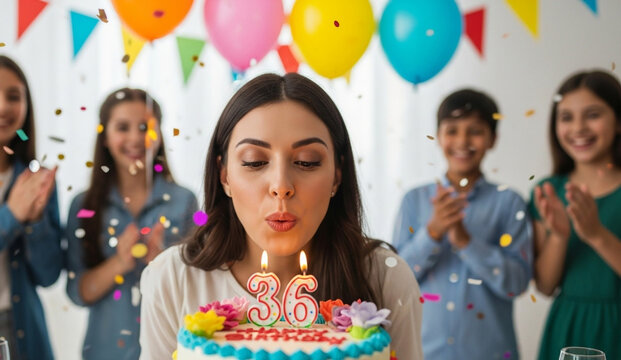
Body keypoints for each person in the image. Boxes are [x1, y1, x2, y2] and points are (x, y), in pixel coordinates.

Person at [138, 73, 423, 359]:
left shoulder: (386, 278)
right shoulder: (172, 279)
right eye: (255, 161)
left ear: (337, 176)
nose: (281, 186)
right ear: (224, 175)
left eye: (306, 162)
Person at [392, 89, 532, 359]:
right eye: (452, 130)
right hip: (421, 352)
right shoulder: (414, 200)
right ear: (439, 136)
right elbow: (394, 281)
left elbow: (517, 284)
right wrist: (431, 233)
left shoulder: (510, 203)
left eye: (476, 131)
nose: (462, 141)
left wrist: (466, 242)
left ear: (493, 139)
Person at [64, 88, 198, 359]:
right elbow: (77, 292)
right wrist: (119, 262)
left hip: (170, 349)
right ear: (105, 137)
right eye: (123, 127)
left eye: (144, 127)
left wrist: (162, 265)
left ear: (159, 134)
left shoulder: (184, 201)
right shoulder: (83, 206)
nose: (136, 138)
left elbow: (197, 290)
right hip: (103, 351)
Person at [0, 54, 62, 360]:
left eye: (14, 96)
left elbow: (49, 274)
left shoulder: (39, 180)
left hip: (26, 334)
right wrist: (11, 216)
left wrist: (33, 221)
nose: (2, 106)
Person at [531, 70, 621, 360]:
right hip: (567, 326)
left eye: (592, 114)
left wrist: (596, 234)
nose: (578, 127)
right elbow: (545, 285)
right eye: (566, 117)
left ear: (618, 121)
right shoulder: (547, 190)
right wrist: (559, 235)